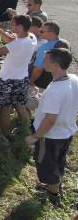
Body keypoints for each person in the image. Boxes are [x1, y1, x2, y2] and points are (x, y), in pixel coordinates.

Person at [24, 48, 78, 206]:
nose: (42, 62)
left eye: (46, 60)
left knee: (46, 165)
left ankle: (53, 195)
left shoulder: (55, 91)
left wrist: (35, 136)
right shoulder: (73, 79)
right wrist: (45, 100)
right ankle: (54, 185)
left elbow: (50, 120)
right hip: (66, 132)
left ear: (55, 65)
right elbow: (65, 101)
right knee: (58, 162)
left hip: (50, 136)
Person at [0, 14, 38, 139]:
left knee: (5, 109)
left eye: (13, 24)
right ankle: (27, 131)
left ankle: (5, 136)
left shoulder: (19, 44)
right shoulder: (31, 37)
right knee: (20, 105)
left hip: (8, 81)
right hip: (22, 79)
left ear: (20, 27)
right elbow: (11, 41)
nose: (10, 26)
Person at [30, 22, 71, 89]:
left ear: (51, 33)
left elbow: (38, 69)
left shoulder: (44, 47)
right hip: (60, 79)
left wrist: (31, 82)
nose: (39, 32)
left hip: (43, 82)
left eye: (42, 31)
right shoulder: (66, 43)